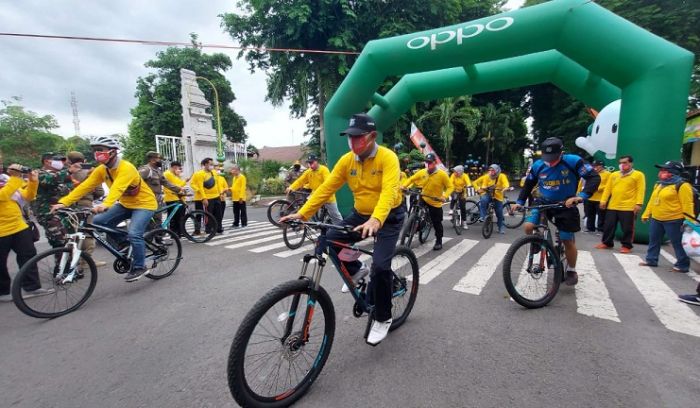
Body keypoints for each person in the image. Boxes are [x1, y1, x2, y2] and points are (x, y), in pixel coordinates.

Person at [280, 112, 405, 346]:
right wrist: (302, 213)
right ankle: (357, 270)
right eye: (350, 137)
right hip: (360, 214)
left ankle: (383, 317)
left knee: (380, 267)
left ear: (372, 136)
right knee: (328, 241)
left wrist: (376, 220)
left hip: (388, 217)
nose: (353, 142)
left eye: (358, 137)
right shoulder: (347, 161)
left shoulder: (388, 158)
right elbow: (326, 189)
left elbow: (389, 192)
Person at [52, 135, 158, 282]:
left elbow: (117, 189)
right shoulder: (102, 170)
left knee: (135, 233)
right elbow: (85, 186)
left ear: (113, 152)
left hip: (144, 204)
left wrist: (105, 205)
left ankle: (139, 266)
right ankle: (125, 242)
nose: (97, 153)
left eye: (100, 150)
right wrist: (64, 203)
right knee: (98, 222)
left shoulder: (127, 168)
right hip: (125, 204)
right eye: (95, 150)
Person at [515, 137, 601, 286]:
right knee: (528, 227)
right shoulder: (538, 165)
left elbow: (594, 178)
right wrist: (519, 202)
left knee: (566, 239)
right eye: (547, 158)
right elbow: (528, 184)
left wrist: (580, 196)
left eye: (553, 158)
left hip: (565, 204)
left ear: (561, 153)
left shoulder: (573, 161)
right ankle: (538, 240)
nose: (550, 161)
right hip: (542, 201)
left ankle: (572, 270)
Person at [0, 166, 54, 302]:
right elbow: (3, 196)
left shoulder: (5, 180)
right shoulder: (11, 180)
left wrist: (33, 181)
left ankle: (32, 286)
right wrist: (15, 178)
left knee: (28, 255)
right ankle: (2, 292)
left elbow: (28, 196)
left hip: (18, 226)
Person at [639, 161, 693, 272]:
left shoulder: (682, 186)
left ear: (672, 172)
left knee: (677, 243)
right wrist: (646, 213)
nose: (660, 172)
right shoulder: (659, 184)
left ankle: (683, 265)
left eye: (664, 170)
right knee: (654, 240)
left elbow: (688, 204)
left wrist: (689, 221)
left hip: (674, 220)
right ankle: (651, 260)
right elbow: (652, 200)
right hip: (656, 218)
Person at [596, 155, 646, 253]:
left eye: (624, 163)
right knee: (608, 225)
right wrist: (603, 200)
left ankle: (626, 245)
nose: (622, 165)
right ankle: (607, 242)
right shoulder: (614, 174)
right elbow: (608, 189)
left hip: (628, 207)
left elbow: (641, 190)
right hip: (613, 205)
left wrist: (639, 204)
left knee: (627, 228)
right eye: (620, 163)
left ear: (631, 163)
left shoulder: (638, 175)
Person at [403, 153, 453, 250]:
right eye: (426, 162)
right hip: (424, 197)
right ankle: (411, 228)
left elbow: (450, 187)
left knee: (437, 222)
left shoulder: (442, 174)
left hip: (435, 201)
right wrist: (404, 186)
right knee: (415, 211)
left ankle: (439, 240)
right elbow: (411, 179)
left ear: (435, 163)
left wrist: (444, 196)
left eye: (430, 162)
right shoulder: (422, 172)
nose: (428, 164)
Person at [66, 151, 106, 268]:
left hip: (68, 206)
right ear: (83, 161)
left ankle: (70, 260)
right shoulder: (90, 173)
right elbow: (100, 192)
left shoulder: (65, 173)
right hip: (85, 205)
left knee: (72, 234)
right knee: (87, 234)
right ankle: (85, 261)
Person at [33, 152, 81, 250]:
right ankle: (61, 265)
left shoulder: (64, 175)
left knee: (72, 241)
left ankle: (71, 264)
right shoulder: (39, 173)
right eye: (59, 160)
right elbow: (49, 180)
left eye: (64, 160)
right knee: (60, 243)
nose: (63, 163)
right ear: (46, 161)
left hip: (67, 213)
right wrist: (69, 171)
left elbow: (71, 190)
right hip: (50, 214)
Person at [287, 154, 343, 225]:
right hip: (315, 195)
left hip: (327, 197)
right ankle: (315, 222)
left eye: (312, 163)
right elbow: (300, 181)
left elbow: (328, 183)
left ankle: (342, 231)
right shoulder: (308, 171)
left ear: (317, 161)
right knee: (307, 205)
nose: (310, 165)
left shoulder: (324, 170)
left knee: (336, 216)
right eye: (309, 163)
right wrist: (291, 187)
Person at [474, 164, 510, 234]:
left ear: (496, 170)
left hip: (498, 196)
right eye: (490, 170)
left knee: (499, 212)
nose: (491, 172)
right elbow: (483, 185)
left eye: (492, 170)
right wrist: (480, 188)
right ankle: (483, 216)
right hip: (488, 194)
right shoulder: (487, 176)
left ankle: (500, 227)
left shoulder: (502, 176)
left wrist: (505, 189)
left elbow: (506, 185)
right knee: (483, 200)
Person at [190, 158, 222, 235]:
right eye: (210, 164)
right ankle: (202, 230)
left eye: (212, 164)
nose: (212, 165)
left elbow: (217, 184)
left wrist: (220, 193)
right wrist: (203, 196)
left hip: (216, 196)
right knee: (202, 215)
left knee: (218, 213)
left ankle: (218, 228)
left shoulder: (214, 173)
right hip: (203, 198)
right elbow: (195, 185)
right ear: (205, 165)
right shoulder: (199, 174)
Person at [582, 160, 610, 233]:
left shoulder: (608, 174)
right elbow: (584, 182)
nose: (595, 167)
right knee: (589, 213)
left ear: (602, 166)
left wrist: (599, 187)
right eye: (594, 166)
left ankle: (601, 229)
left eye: (597, 166)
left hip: (600, 198)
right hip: (590, 196)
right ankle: (590, 228)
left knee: (601, 215)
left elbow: (609, 185)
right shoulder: (591, 173)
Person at [163, 161, 188, 236]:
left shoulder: (176, 176)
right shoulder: (167, 174)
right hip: (171, 198)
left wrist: (184, 181)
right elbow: (171, 186)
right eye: (178, 168)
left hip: (179, 197)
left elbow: (179, 186)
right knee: (173, 217)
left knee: (180, 216)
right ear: (174, 167)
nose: (179, 170)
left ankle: (180, 231)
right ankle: (174, 233)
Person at [449, 165, 472, 230]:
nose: (454, 172)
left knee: (462, 208)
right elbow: (450, 183)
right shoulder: (453, 175)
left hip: (462, 192)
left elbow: (468, 183)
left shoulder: (465, 176)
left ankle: (464, 222)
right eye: (454, 171)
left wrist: (468, 185)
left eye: (455, 171)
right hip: (454, 191)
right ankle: (451, 210)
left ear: (459, 172)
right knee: (454, 197)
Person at [230, 164, 247, 229]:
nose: (232, 171)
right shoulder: (234, 178)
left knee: (243, 211)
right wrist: (229, 189)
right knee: (236, 212)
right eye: (232, 169)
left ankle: (244, 224)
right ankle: (236, 223)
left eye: (233, 169)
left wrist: (241, 198)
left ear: (237, 170)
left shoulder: (242, 177)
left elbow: (243, 188)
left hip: (240, 198)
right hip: (235, 198)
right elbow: (234, 187)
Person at [215, 165, 229, 233]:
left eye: (219, 170)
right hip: (214, 199)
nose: (218, 171)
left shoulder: (222, 178)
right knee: (215, 214)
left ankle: (219, 227)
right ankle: (214, 227)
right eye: (217, 169)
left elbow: (226, 187)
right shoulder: (212, 179)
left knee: (221, 214)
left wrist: (224, 190)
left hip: (222, 199)